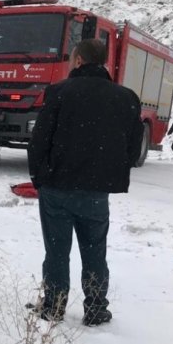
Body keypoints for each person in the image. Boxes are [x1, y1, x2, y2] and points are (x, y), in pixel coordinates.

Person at [27, 38, 144, 327]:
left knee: (57, 250)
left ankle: (53, 307)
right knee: (95, 251)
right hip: (96, 192)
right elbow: (130, 148)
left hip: (56, 188)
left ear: (78, 61)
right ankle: (95, 309)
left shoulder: (58, 93)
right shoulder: (126, 97)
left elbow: (39, 142)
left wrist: (38, 177)